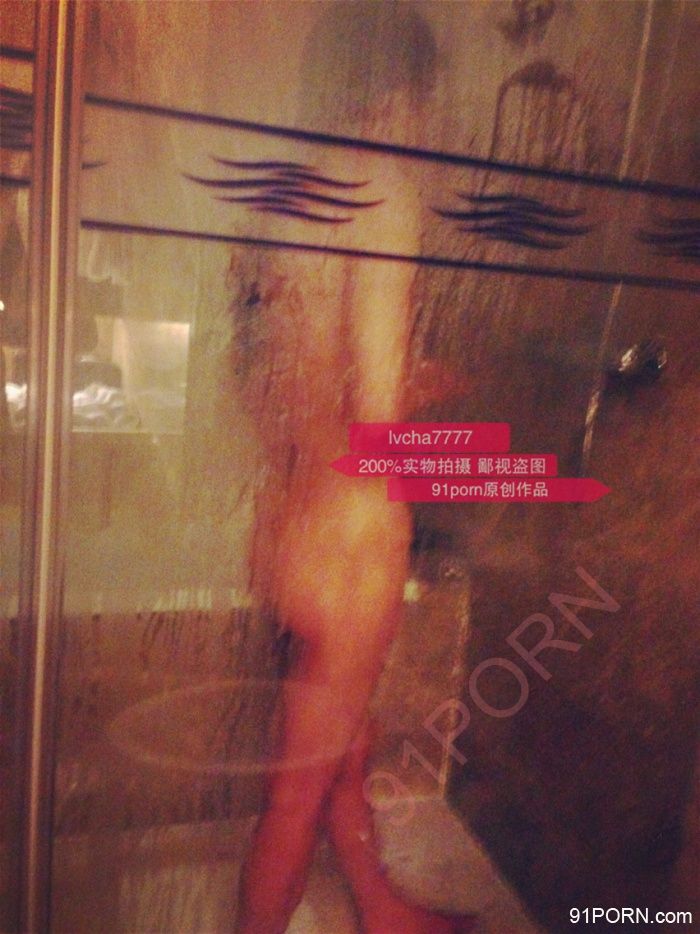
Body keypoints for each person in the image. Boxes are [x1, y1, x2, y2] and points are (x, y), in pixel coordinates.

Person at [232, 6, 476, 932]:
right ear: (396, 91)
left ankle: (379, 906)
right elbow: (375, 416)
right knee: (295, 792)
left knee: (340, 740)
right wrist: (436, 386)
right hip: (351, 531)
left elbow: (264, 379)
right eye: (422, 96)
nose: (426, 117)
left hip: (286, 518)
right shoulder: (383, 192)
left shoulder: (282, 196)